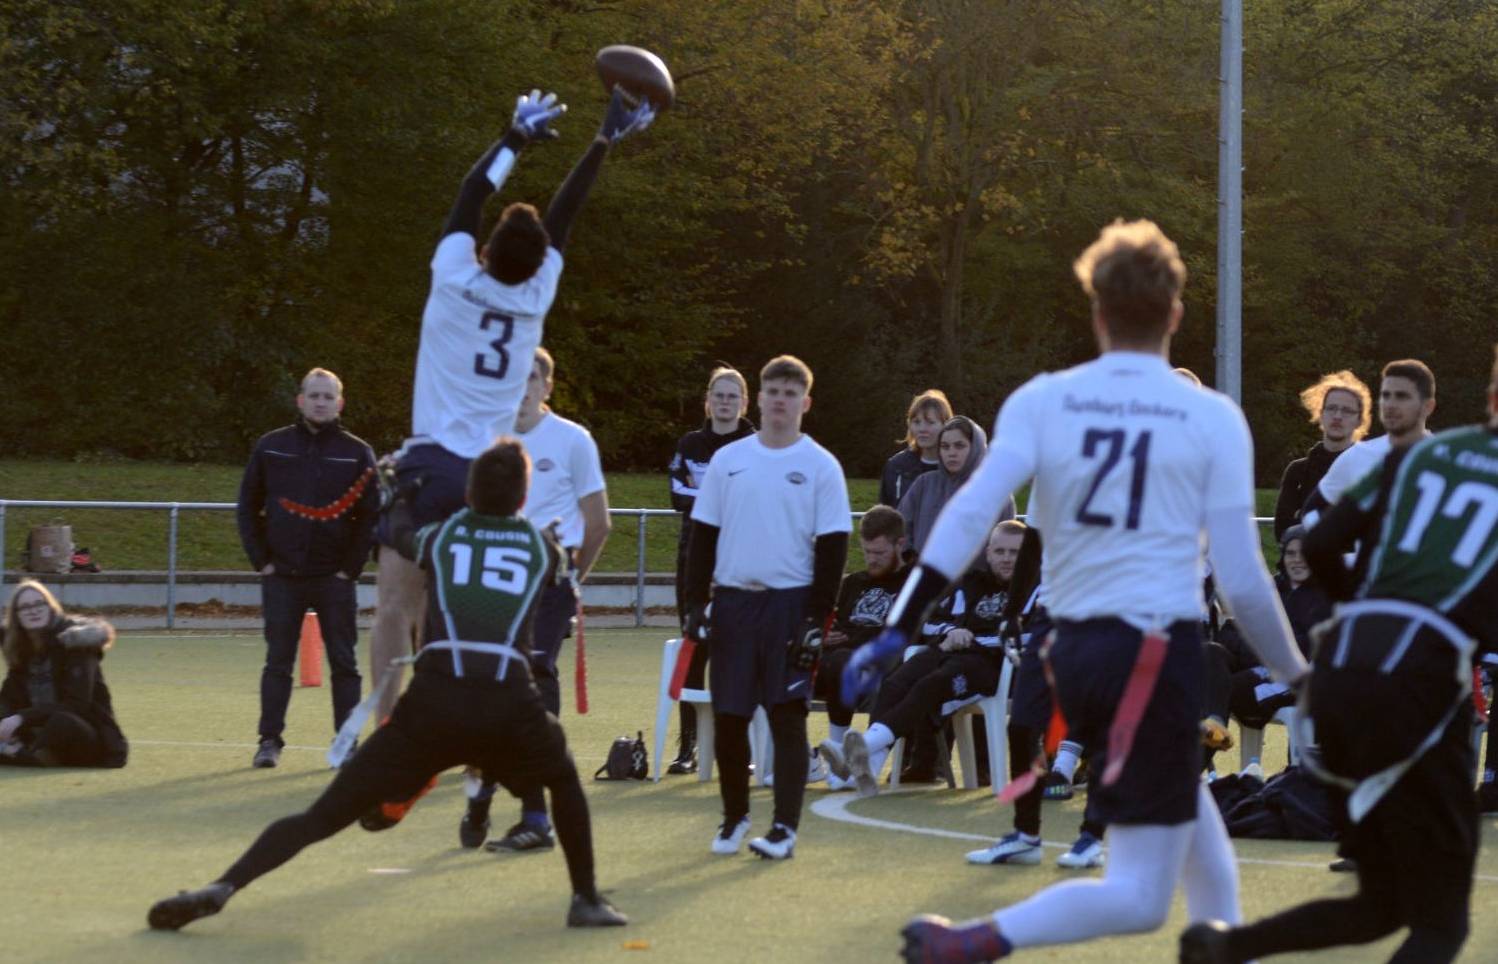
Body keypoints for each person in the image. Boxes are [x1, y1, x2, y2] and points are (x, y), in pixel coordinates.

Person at [840, 219, 1308, 961]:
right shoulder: (1211, 416)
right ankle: (977, 941)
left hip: (1070, 652)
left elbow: (968, 512)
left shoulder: (1045, 398)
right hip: (1156, 652)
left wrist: (901, 623)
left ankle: (1222, 947)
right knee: (1141, 896)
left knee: (1197, 832)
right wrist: (1300, 677)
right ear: (1178, 314)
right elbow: (1246, 582)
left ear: (1095, 313)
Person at [146, 438, 627, 933]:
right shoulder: (537, 547)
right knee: (564, 783)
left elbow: (399, 533)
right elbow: (558, 570)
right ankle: (585, 897)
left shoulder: (444, 536)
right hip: (509, 705)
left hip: (435, 705)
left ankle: (224, 886)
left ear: (469, 492)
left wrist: (397, 494)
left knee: (323, 814)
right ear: (523, 499)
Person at [1180, 345, 1498, 964]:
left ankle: (1227, 947)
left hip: (1348, 676)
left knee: (1379, 904)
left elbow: (1317, 542)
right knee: (1439, 926)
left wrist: (1367, 611)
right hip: (1421, 687)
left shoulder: (1422, 457)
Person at [367, 88, 655, 723]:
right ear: (534, 265)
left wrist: (515, 136)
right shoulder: (536, 297)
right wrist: (604, 138)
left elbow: (472, 192)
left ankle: (388, 726)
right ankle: (470, 736)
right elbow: (566, 213)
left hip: (432, 464)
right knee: (470, 615)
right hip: (492, 481)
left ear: (488, 249)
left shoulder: (453, 276)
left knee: (395, 605)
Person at [682, 354, 851, 860]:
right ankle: (734, 818)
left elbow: (834, 547)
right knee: (730, 717)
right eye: (772, 391)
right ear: (760, 397)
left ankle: (784, 828)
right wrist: (694, 602)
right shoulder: (730, 461)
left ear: (806, 402)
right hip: (733, 603)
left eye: (790, 393)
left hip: (790, 605)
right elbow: (703, 537)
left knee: (786, 715)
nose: (780, 400)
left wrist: (816, 618)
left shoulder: (821, 466)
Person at [461, 348, 611, 851]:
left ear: (546, 386)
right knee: (486, 689)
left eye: (531, 378)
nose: (521, 387)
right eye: (512, 377)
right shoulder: (485, 437)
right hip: (493, 584)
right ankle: (481, 788)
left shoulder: (573, 440)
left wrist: (570, 584)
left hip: (547, 585)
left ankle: (535, 815)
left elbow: (599, 522)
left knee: (534, 683)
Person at [236, 367, 377, 768]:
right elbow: (248, 506)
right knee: (278, 661)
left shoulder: (356, 452)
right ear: (300, 400)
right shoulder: (271, 446)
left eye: (327, 397)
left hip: (334, 578)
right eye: (313, 395)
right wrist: (261, 561)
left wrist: (350, 568)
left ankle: (345, 743)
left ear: (340, 403)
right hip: (281, 576)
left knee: (344, 664)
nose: (320, 402)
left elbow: (370, 516)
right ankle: (269, 741)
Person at [822, 520, 1024, 797]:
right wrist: (952, 630)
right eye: (1000, 551)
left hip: (994, 666)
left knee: (930, 685)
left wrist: (974, 639)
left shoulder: (1036, 589)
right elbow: (928, 622)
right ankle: (867, 766)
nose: (1006, 559)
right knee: (896, 681)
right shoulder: (971, 584)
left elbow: (1032, 636)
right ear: (988, 553)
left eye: (1014, 552)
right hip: (950, 652)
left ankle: (861, 751)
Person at [964, 527, 1109, 870]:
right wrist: (1012, 611)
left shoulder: (1124, 478)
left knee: (1099, 725)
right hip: (1051, 612)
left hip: (1107, 610)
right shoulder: (1054, 476)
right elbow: (1034, 542)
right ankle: (1026, 835)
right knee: (1023, 725)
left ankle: (1092, 838)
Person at [665, 365, 755, 774]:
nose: (724, 402)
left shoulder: (755, 444)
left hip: (742, 558)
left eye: (732, 396)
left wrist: (710, 497)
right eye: (718, 395)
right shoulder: (690, 443)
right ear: (707, 400)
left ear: (744, 403)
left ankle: (740, 751)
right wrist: (720, 496)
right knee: (694, 649)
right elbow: (677, 495)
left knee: (739, 655)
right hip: (694, 560)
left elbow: (754, 495)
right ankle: (688, 749)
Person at [816, 504, 908, 790]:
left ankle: (840, 755)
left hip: (884, 667)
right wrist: (825, 636)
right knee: (783, 663)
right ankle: (794, 761)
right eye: (867, 552)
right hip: (839, 664)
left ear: (900, 544)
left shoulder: (913, 582)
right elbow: (841, 625)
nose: (872, 560)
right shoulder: (854, 582)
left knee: (843, 659)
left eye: (880, 553)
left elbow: (901, 633)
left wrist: (848, 640)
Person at [0, 580, 127, 768]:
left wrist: (21, 718)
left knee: (62, 721)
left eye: (38, 603)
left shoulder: (76, 643)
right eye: (25, 607)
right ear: (17, 616)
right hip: (37, 732)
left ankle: (23, 755)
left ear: (50, 606)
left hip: (87, 738)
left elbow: (77, 705)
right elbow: (9, 697)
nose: (33, 610)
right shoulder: (20, 649)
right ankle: (21, 752)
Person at [1300, 359, 1436, 527]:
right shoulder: (1359, 455)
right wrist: (1335, 551)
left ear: (1428, 406)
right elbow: (1311, 511)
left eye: (1402, 396)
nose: (1391, 405)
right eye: (1386, 396)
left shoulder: (1452, 458)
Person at [1272, 371, 1371, 540]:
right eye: (1331, 408)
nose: (1338, 416)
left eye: (1347, 411)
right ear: (1320, 413)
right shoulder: (1298, 471)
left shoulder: (1370, 470)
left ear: (1359, 420)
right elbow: (1283, 531)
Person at [897, 416, 1015, 555]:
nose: (951, 453)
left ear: (975, 448)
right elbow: (900, 529)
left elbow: (1008, 543)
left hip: (979, 575)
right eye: (945, 447)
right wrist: (910, 559)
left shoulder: (997, 493)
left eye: (959, 446)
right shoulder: (924, 484)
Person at [879, 390, 954, 508]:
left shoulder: (958, 467)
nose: (922, 429)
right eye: (917, 422)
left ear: (946, 425)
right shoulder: (896, 467)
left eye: (930, 422)